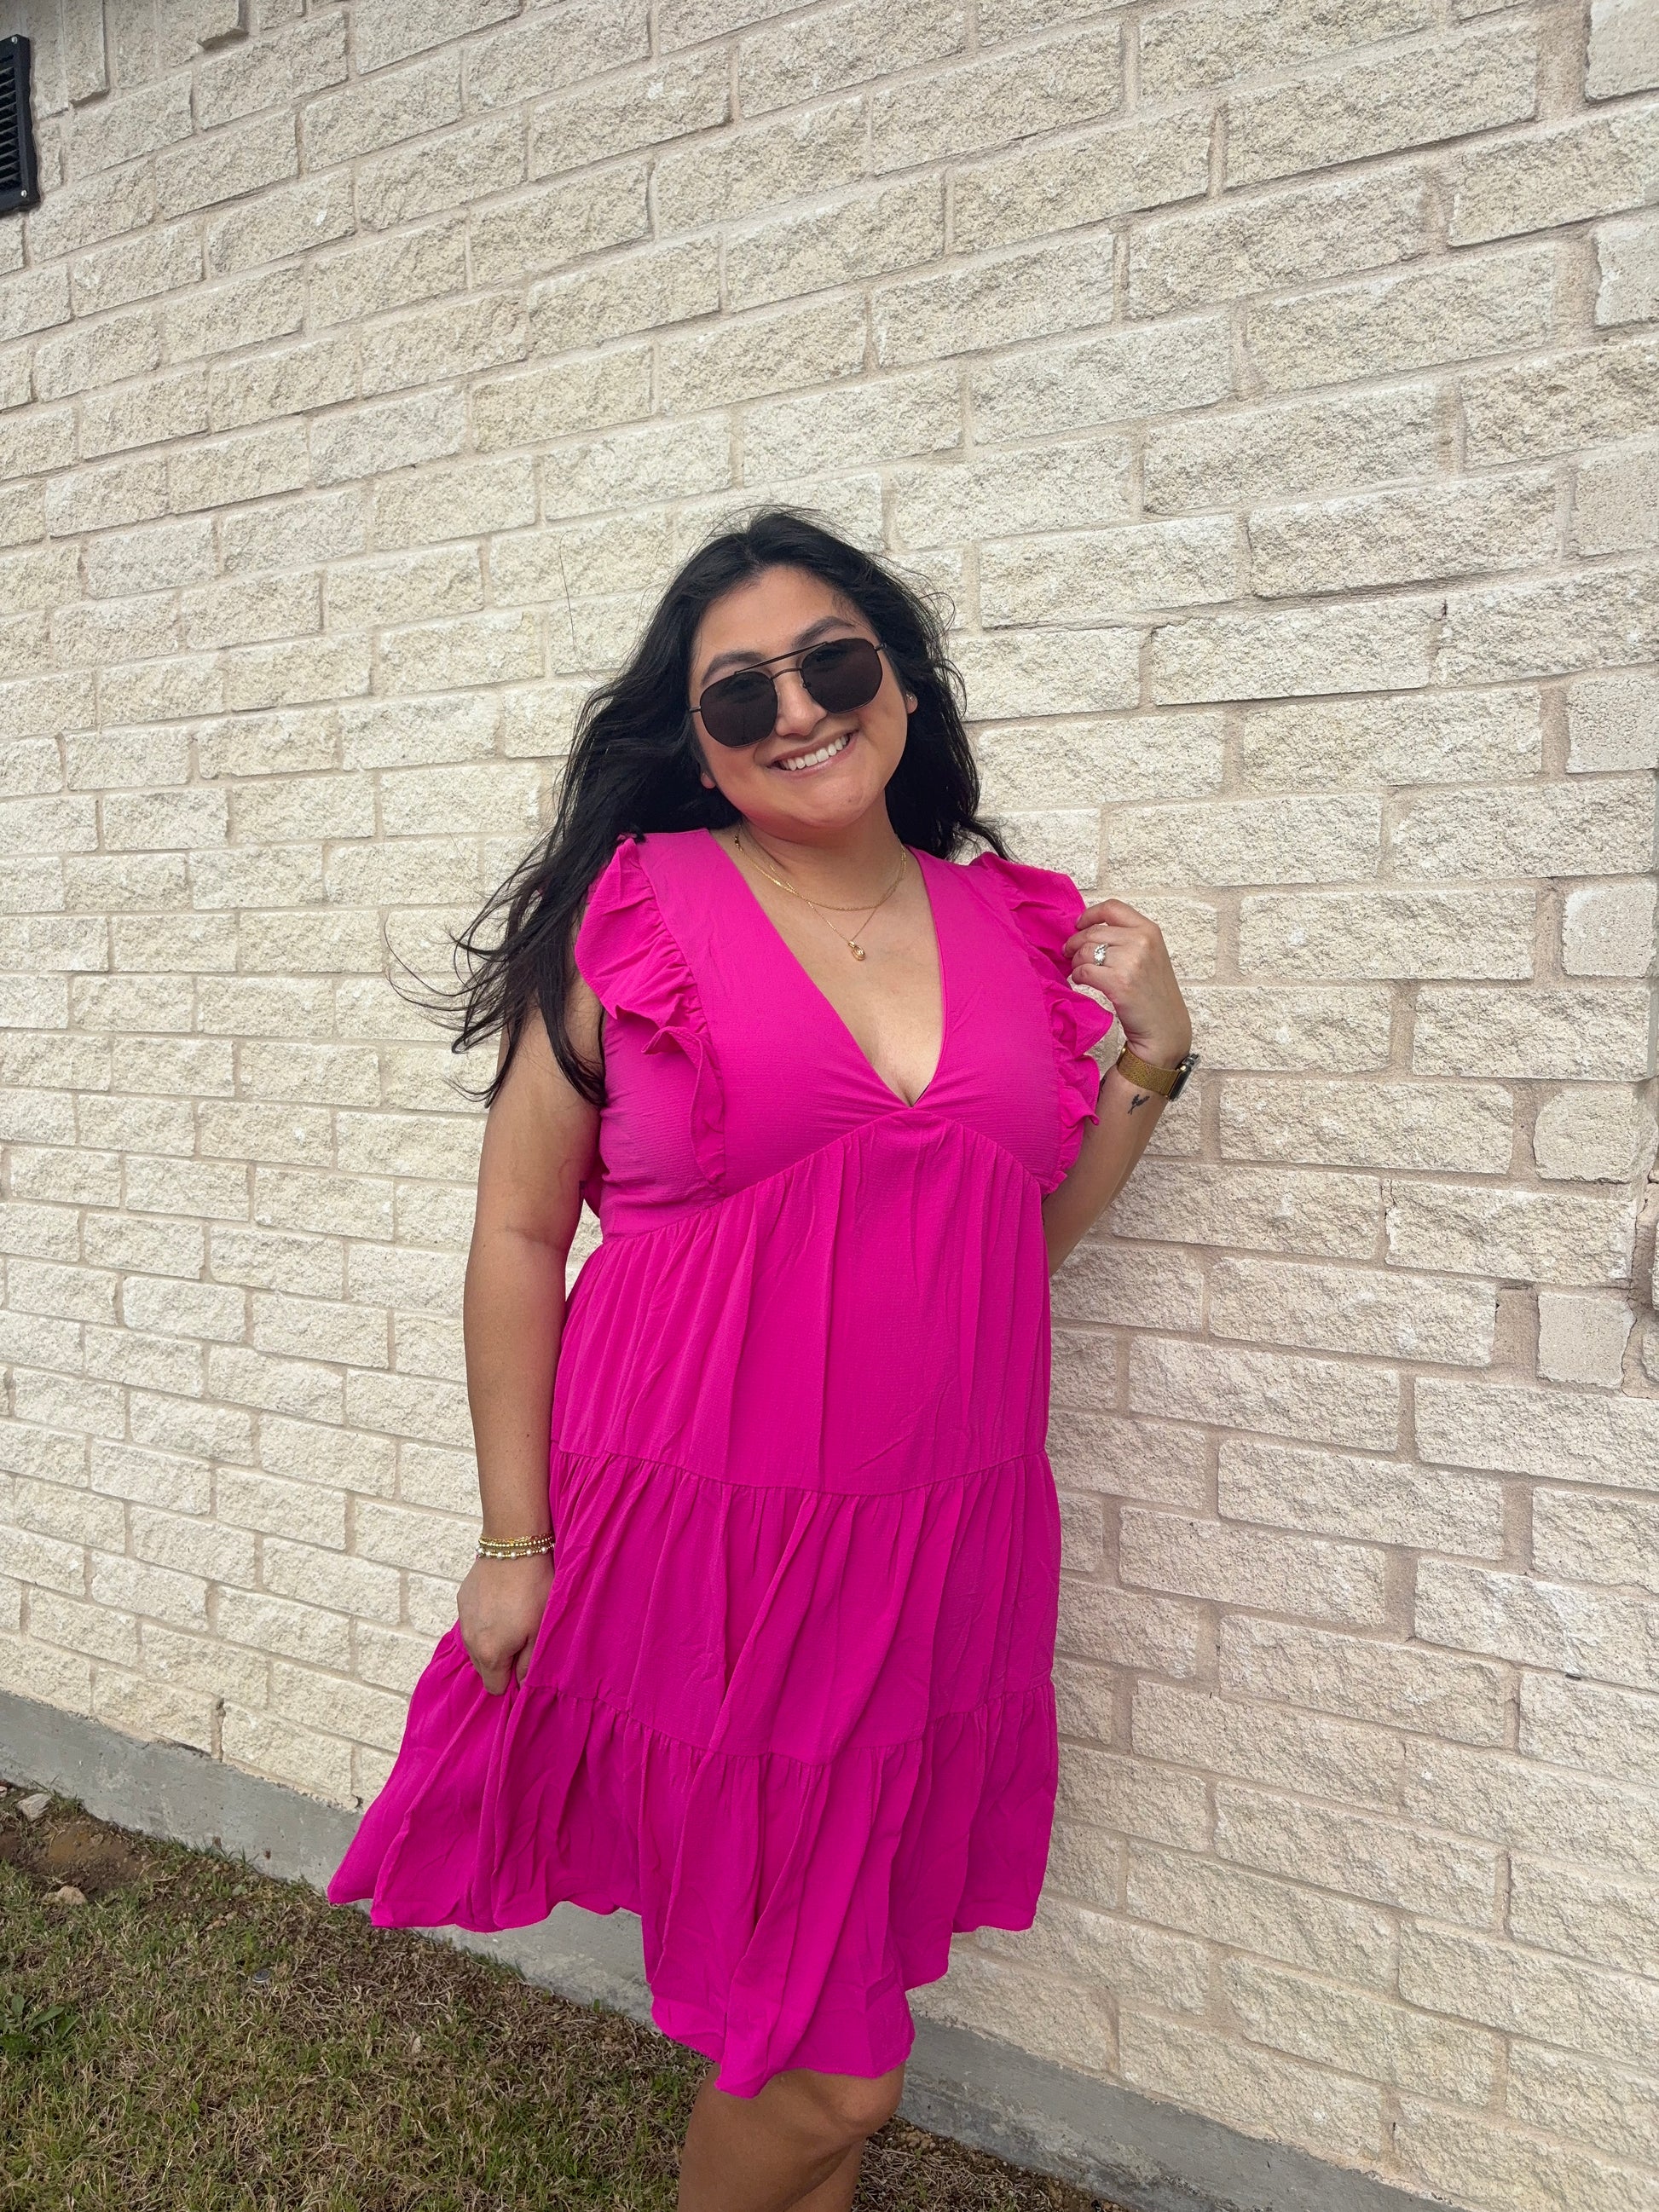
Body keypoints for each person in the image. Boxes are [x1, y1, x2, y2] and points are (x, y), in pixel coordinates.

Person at [327, 507, 1195, 2211]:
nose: (797, 708)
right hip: (701, 1541)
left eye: (832, 663)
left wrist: (1148, 1061)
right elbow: (518, 1234)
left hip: (932, 1542)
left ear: (903, 686)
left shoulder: (1007, 931)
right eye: (741, 692)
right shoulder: (639, 915)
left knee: (822, 2026)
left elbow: (1005, 1247)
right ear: (700, 740)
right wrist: (512, 1537)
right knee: (829, 2067)